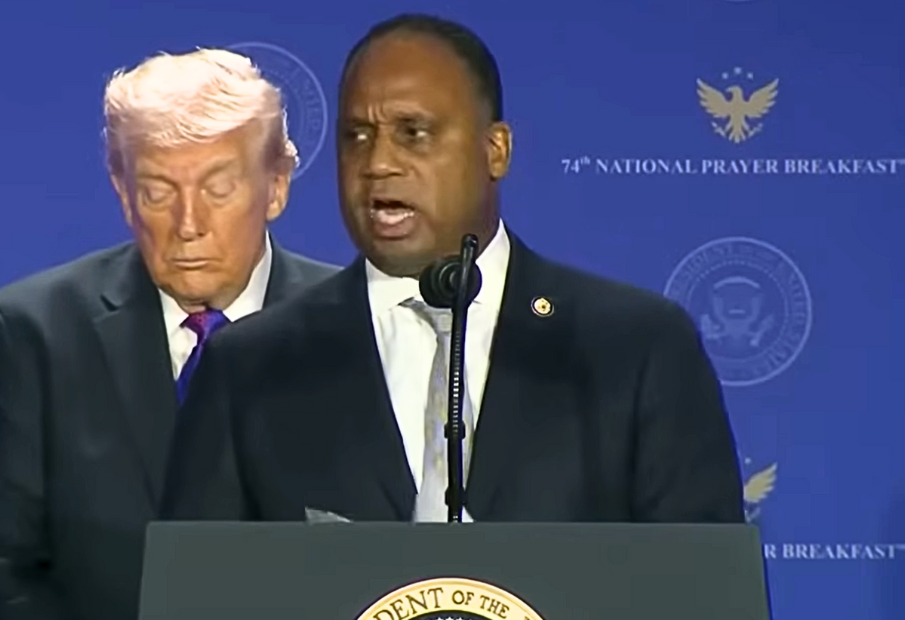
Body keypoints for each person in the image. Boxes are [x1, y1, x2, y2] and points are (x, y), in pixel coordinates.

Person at [159, 14, 745, 525]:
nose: (378, 163)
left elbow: (705, 588)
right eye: (356, 137)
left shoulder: (632, 350)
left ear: (496, 151)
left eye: (414, 134)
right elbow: (196, 592)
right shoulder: (250, 369)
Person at [0, 48, 338, 620]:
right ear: (124, 194)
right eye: (157, 192)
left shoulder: (359, 328)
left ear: (276, 186)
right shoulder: (32, 334)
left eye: (218, 189)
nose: (189, 224)